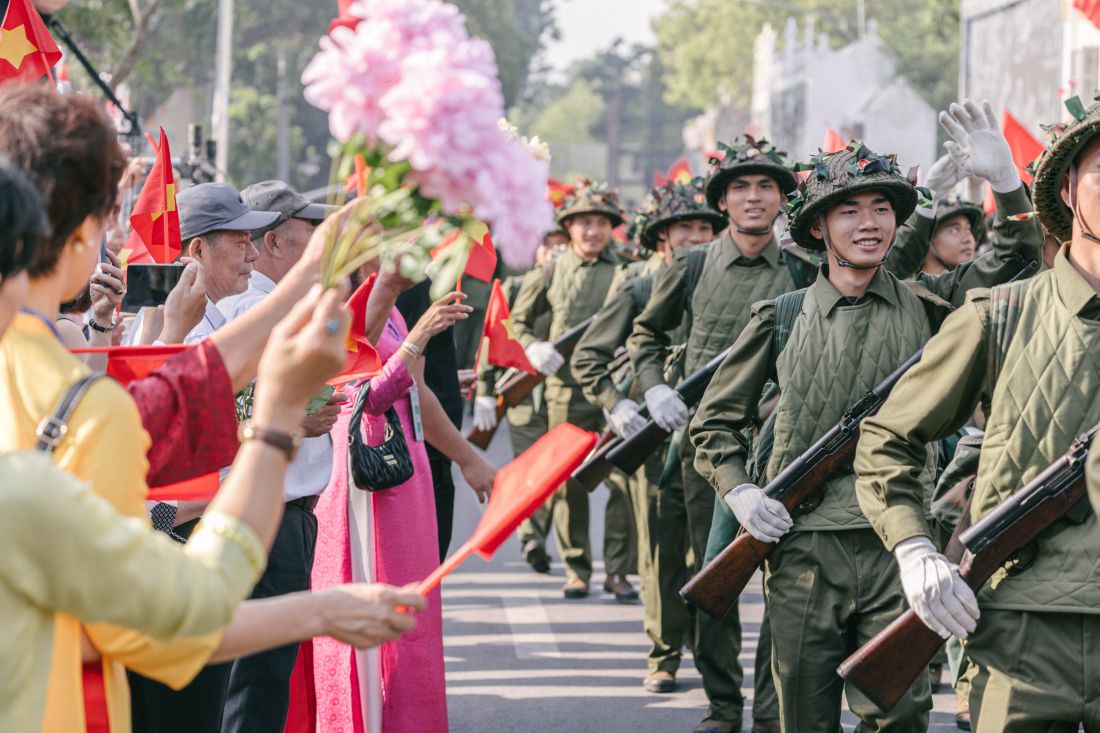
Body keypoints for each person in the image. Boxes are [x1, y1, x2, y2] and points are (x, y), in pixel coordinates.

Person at [0, 82, 417, 733]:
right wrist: (274, 422)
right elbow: (175, 619)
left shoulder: (50, 377)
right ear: (84, 236)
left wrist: (311, 278)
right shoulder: (79, 403)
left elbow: (179, 392)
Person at [690, 101, 1041, 733]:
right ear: (820, 228)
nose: (869, 223)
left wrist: (1009, 187)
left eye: (882, 208)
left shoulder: (935, 306)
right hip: (801, 550)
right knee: (800, 713)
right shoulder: (781, 315)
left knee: (900, 716)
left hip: (901, 545)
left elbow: (1016, 262)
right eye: (850, 210)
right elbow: (716, 424)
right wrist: (738, 489)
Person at [854, 95, 1100, 732]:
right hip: (1020, 627)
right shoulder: (1001, 314)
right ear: (1070, 187)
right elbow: (888, 437)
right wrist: (914, 547)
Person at [627, 136, 812, 733]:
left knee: (791, 591)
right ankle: (724, 705)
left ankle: (768, 711)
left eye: (766, 187)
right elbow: (644, 337)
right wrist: (655, 387)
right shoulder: (694, 263)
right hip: (712, 450)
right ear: (723, 201)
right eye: (741, 188)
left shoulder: (805, 269)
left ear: (785, 199)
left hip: (789, 444)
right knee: (714, 581)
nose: (754, 197)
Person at [307, 260, 494, 733]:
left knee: (414, 611)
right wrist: (420, 335)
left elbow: (414, 391)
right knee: (373, 607)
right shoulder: (333, 304)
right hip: (361, 482)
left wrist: (468, 458)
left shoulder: (390, 309)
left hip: (406, 471)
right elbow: (360, 391)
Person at [572, 177, 723, 693]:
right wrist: (618, 406)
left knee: (710, 556)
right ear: (662, 236)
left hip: (712, 439)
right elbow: (588, 356)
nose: (697, 236)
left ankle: (712, 658)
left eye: (706, 226)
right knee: (660, 555)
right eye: (686, 227)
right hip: (654, 440)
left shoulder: (721, 280)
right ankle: (663, 655)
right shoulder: (638, 287)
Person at [509, 179, 638, 601]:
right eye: (584, 222)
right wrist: (533, 347)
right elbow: (518, 321)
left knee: (621, 479)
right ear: (569, 227)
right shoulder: (550, 268)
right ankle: (576, 568)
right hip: (564, 390)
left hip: (616, 386)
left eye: (601, 222)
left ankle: (617, 571)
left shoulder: (626, 270)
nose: (593, 231)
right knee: (568, 483)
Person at [473, 230, 566, 573]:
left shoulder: (577, 284)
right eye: (548, 244)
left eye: (562, 244)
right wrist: (484, 390)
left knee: (557, 472)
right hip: (523, 395)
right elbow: (491, 338)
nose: (555, 251)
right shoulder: (514, 287)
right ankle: (532, 538)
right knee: (531, 470)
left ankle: (539, 534)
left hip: (563, 393)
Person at [918, 196, 985, 274]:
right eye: (954, 230)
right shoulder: (905, 285)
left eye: (968, 229)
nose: (968, 239)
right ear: (928, 237)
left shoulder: (980, 282)